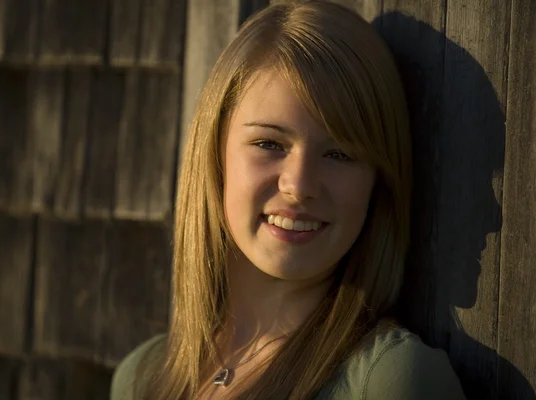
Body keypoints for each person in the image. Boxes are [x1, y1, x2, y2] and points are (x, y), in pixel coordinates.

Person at [111, 1, 467, 399]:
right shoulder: (140, 378)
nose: (299, 186)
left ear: (377, 181)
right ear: (215, 154)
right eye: (269, 143)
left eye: (340, 154)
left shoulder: (391, 382)